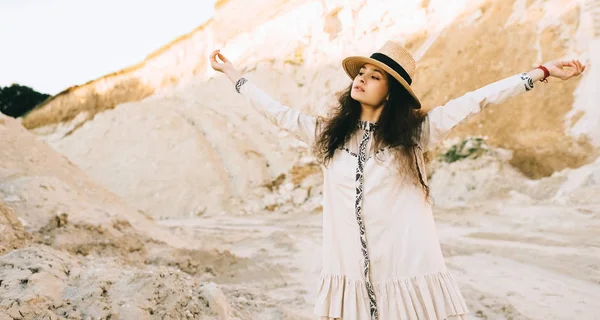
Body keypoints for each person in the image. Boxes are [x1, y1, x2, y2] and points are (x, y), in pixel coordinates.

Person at [209, 41, 586, 320]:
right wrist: (233, 75)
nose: (362, 79)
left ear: (391, 93)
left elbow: (478, 99)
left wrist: (543, 72)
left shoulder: (416, 135)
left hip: (406, 272)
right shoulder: (329, 134)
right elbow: (275, 112)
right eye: (361, 73)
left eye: (375, 77)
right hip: (350, 277)